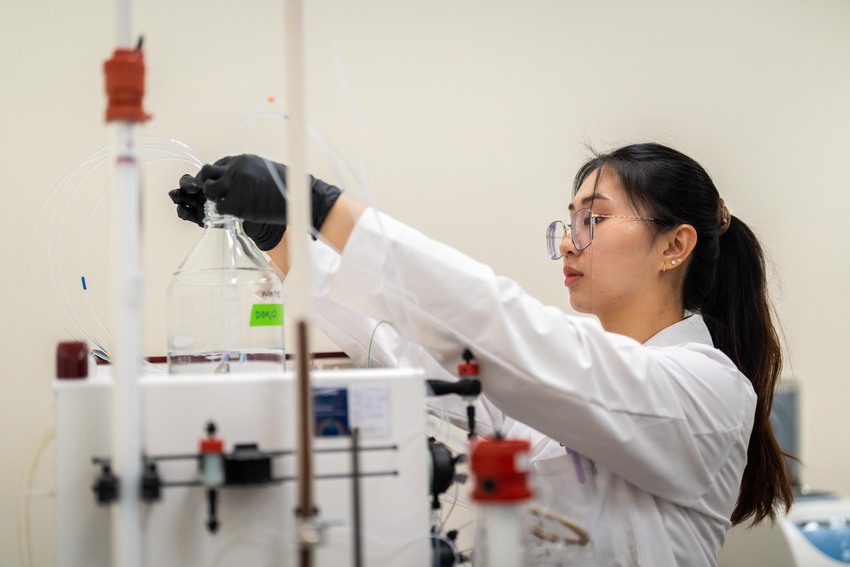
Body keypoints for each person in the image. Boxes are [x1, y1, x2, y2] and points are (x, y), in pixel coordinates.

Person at [169, 143, 794, 566]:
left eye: (594, 220)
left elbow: (505, 328)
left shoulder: (706, 390)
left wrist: (321, 207)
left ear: (674, 246)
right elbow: (407, 347)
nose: (569, 243)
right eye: (569, 222)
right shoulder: (558, 377)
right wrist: (279, 236)